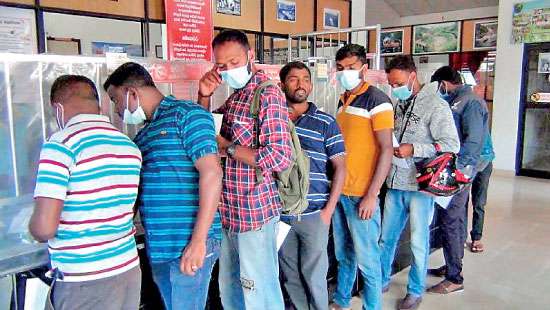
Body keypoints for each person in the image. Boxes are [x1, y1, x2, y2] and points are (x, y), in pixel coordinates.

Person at [104, 62, 223, 309]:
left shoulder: (188, 114)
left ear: (132, 93)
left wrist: (199, 241)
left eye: (116, 100)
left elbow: (212, 173)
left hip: (189, 241)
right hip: (159, 246)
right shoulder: (143, 136)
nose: (117, 110)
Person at [197, 29, 292, 310]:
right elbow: (205, 132)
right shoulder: (237, 96)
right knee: (231, 289)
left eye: (234, 62)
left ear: (251, 56)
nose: (228, 70)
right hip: (229, 211)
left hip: (255, 214)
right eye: (221, 65)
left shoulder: (267, 94)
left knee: (259, 290)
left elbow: (279, 157)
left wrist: (228, 147)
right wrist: (203, 96)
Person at [30, 75, 142, 310]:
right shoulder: (128, 145)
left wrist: (30, 227)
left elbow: (44, 229)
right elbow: (128, 209)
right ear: (98, 105)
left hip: (83, 278)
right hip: (128, 269)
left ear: (58, 109)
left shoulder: (61, 145)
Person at [379, 56, 460, 310]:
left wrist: (414, 148)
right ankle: (380, 279)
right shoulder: (400, 103)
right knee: (386, 238)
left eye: (398, 83)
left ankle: (415, 290)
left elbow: (451, 144)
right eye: (391, 84)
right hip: (395, 183)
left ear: (413, 76)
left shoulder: (436, 106)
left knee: (417, 241)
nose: (395, 88)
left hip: (420, 187)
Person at [278, 61, 346, 310]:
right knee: (289, 275)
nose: (301, 84)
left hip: (315, 213)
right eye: (294, 79)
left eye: (305, 79)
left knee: (315, 276)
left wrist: (328, 211)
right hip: (281, 215)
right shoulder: (273, 120)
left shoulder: (325, 122)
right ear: (282, 84)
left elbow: (340, 167)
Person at [330, 44, 394, 310]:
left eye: (352, 68)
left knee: (368, 260)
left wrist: (371, 195)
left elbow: (387, 149)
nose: (346, 73)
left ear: (364, 68)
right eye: (341, 69)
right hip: (339, 191)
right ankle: (342, 300)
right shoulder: (343, 100)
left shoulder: (378, 100)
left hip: (361, 195)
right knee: (344, 254)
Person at [428, 66, 489, 294]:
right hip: (455, 168)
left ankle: (455, 278)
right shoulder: (457, 99)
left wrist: (458, 171)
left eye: (437, 87)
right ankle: (452, 264)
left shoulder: (469, 102)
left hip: (459, 170)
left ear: (444, 83)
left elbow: (473, 141)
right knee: (457, 219)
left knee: (451, 220)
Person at [468, 132, 495, 253]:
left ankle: (476, 237)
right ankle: (460, 236)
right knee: (460, 202)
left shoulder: (478, 114)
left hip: (484, 161)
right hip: (467, 160)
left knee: (479, 202)